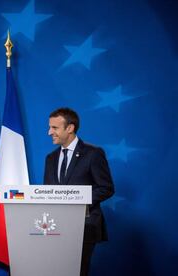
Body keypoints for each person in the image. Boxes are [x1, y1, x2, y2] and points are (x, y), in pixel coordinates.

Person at [43, 107, 114, 276]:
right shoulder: (50, 158)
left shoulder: (93, 153)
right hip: (56, 227)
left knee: (77, 272)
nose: (49, 132)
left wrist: (76, 200)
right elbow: (47, 191)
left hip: (85, 225)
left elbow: (106, 188)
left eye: (54, 128)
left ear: (70, 128)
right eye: (49, 127)